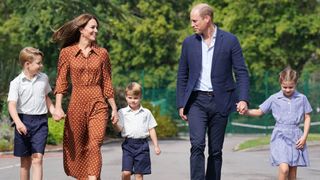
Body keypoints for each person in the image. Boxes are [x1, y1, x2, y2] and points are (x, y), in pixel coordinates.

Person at [176, 3, 250, 180]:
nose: (192, 24)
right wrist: (181, 103)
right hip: (196, 102)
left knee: (216, 150)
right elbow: (182, 75)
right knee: (197, 145)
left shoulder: (230, 40)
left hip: (221, 101)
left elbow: (241, 72)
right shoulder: (188, 43)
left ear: (207, 19)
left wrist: (243, 99)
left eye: (195, 21)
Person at [52, 13, 118, 180]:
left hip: (98, 104)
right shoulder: (67, 53)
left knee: (95, 145)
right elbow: (61, 81)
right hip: (76, 104)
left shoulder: (102, 53)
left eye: (97, 28)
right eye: (92, 27)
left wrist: (114, 108)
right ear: (81, 29)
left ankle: (92, 178)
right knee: (78, 148)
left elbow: (107, 82)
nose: (96, 31)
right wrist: (58, 107)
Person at [244, 67, 311, 180]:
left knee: (292, 173)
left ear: (295, 84)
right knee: (284, 169)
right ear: (280, 83)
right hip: (280, 136)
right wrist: (246, 111)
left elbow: (307, 117)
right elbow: (260, 111)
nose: (288, 90)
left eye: (291, 87)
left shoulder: (302, 98)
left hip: (296, 137)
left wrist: (304, 137)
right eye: (284, 87)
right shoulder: (274, 98)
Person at [7, 47, 55, 180]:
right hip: (23, 121)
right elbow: (11, 105)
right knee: (25, 163)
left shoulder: (43, 78)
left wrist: (53, 111)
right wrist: (18, 123)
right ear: (27, 64)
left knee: (37, 159)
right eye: (38, 63)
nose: (41, 65)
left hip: (40, 122)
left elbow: (46, 98)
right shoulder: (16, 83)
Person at [112, 82, 161, 180]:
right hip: (128, 145)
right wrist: (115, 124)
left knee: (139, 175)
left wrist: (156, 146)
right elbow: (119, 129)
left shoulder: (146, 113)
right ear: (126, 97)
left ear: (140, 97)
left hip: (142, 146)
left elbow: (151, 129)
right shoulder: (122, 112)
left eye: (135, 98)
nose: (133, 101)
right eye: (130, 98)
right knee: (126, 173)